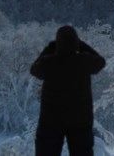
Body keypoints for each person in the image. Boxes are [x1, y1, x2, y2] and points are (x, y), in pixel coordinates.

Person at [30, 25, 106, 156]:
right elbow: (100, 61)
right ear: (76, 42)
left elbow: (34, 69)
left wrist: (50, 48)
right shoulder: (84, 61)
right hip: (81, 121)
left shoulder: (49, 62)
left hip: (50, 120)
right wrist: (81, 46)